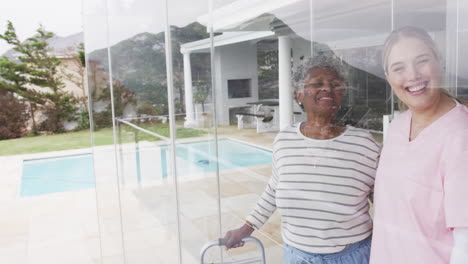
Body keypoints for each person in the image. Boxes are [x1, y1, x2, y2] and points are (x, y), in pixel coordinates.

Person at [224, 54, 381, 264]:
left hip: (352, 256)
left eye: (335, 84)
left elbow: (383, 201)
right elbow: (274, 188)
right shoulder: (284, 140)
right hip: (297, 257)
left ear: (341, 95)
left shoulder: (363, 143)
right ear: (299, 95)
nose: (327, 88)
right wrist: (247, 228)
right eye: (317, 83)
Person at [369, 26, 468, 264]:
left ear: (439, 61)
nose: (412, 75)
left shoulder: (461, 135)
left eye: (421, 61)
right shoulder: (397, 127)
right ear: (388, 76)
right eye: (398, 68)